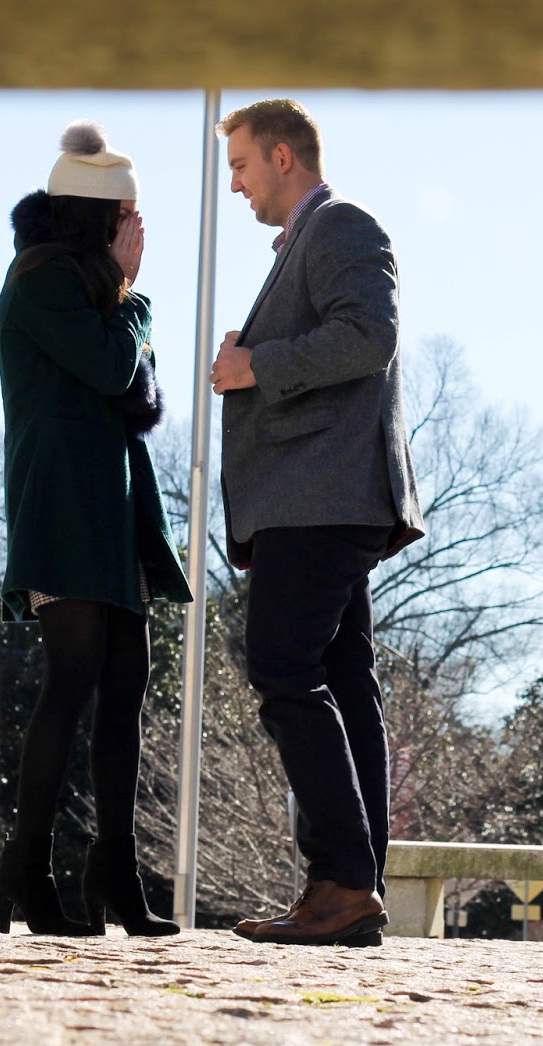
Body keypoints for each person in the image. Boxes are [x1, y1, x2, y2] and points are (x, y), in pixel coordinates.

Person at [210, 99, 424, 946]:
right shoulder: (312, 238)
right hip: (321, 494)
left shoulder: (342, 224)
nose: (235, 186)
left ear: (283, 155)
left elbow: (368, 337)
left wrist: (256, 364)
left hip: (322, 496)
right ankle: (350, 887)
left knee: (283, 664)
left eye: (241, 167)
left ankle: (339, 877)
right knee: (341, 675)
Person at [0, 120, 192, 938]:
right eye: (128, 215)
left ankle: (114, 872)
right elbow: (115, 369)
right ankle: (25, 869)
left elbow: (136, 400)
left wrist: (119, 293)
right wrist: (133, 290)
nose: (138, 228)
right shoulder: (40, 278)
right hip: (63, 506)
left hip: (112, 509)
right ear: (96, 218)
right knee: (70, 683)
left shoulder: (85, 284)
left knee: (126, 690)